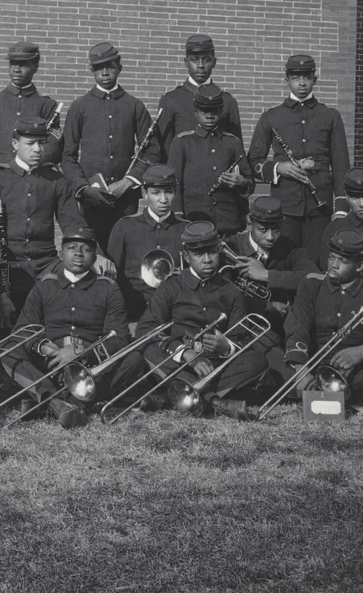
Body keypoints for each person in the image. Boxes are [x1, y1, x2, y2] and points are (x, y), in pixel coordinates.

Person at [1, 226, 142, 429]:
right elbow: (22, 330)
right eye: (72, 247)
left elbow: (118, 338)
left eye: (86, 249)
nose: (78, 253)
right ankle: (58, 402)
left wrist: (82, 352)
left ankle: (45, 398)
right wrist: (45, 348)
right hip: (49, 364)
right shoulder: (44, 286)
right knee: (7, 350)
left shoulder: (108, 288)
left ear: (94, 258)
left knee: (134, 358)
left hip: (91, 367)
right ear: (61, 254)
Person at [136, 221, 271, 419]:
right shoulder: (170, 286)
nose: (207, 260)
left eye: (212, 253)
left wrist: (226, 348)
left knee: (256, 361)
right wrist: (185, 353)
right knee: (149, 350)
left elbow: (240, 337)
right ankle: (215, 402)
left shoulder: (232, 291)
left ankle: (172, 397)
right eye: (199, 254)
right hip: (179, 362)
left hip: (216, 365)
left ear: (220, 252)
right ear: (186, 257)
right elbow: (145, 329)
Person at [0, 116, 82, 322]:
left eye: (42, 143)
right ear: (15, 144)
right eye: (30, 143)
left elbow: (73, 224)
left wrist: (95, 253)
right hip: (7, 267)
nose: (37, 149)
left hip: (46, 265)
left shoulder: (55, 180)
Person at [283, 228, 363, 404]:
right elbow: (297, 326)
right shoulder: (312, 283)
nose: (334, 264)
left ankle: (319, 393)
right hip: (311, 359)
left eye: (343, 261)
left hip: (349, 368)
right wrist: (302, 370)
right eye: (332, 257)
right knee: (279, 367)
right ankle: (321, 390)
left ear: (360, 266)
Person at [248, 53, 350, 255]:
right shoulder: (272, 116)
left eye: (307, 77)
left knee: (317, 263)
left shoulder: (331, 116)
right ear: (286, 80)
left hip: (319, 207)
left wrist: (341, 208)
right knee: (284, 262)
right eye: (295, 78)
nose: (301, 83)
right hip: (284, 206)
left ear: (315, 79)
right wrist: (279, 168)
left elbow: (341, 165)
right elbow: (253, 161)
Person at [63, 42, 160, 245]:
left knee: (125, 251)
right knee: (93, 253)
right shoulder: (79, 107)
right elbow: (68, 156)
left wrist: (127, 183)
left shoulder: (134, 106)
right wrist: (84, 188)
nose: (105, 72)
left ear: (120, 68)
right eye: (99, 67)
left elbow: (152, 150)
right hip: (91, 200)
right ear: (91, 70)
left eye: (110, 66)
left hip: (126, 200)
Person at [223, 196, 316, 341]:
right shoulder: (232, 246)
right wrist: (265, 306)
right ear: (249, 222)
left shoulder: (288, 246)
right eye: (262, 230)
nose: (270, 237)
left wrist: (267, 275)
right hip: (238, 326)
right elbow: (220, 295)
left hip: (279, 328)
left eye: (276, 230)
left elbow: (314, 277)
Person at [166, 83, 253, 235]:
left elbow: (249, 182)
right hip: (194, 222)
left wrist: (242, 182)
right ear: (195, 112)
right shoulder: (182, 142)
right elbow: (175, 183)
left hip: (228, 222)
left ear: (221, 111)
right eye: (204, 110)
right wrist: (178, 217)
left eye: (214, 110)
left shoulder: (232, 142)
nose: (209, 114)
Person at [106, 164, 186, 324]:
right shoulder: (125, 227)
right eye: (156, 193)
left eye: (169, 192)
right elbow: (112, 278)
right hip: (134, 317)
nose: (163, 200)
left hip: (174, 319)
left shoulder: (185, 229)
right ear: (144, 193)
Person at [0, 40, 63, 173]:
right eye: (12, 63)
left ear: (35, 67)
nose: (16, 69)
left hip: (34, 178)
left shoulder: (46, 105)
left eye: (23, 65)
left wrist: (30, 169)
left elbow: (53, 146)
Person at [156, 33, 243, 158]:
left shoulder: (228, 101)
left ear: (214, 62)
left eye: (206, 59)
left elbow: (236, 148)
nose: (201, 65)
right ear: (186, 62)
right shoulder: (170, 100)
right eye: (194, 59)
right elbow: (163, 149)